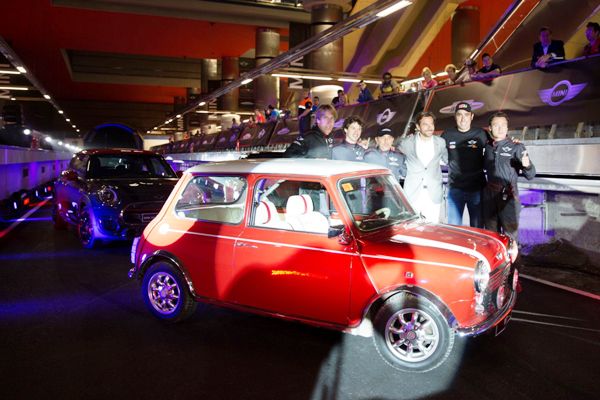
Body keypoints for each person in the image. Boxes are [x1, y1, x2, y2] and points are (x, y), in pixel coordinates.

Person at [483, 112, 536, 242]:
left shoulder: (516, 146)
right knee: (491, 237)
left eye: (503, 125)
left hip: (509, 197)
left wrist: (527, 165)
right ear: (490, 128)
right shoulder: (487, 147)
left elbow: (531, 175)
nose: (500, 128)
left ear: (507, 128)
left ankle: (514, 262)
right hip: (489, 198)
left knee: (510, 238)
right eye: (496, 125)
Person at [441, 101, 488, 228]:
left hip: (477, 189)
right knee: (454, 230)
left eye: (466, 115)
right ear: (455, 117)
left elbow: (497, 145)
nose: (463, 119)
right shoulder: (447, 135)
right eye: (459, 115)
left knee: (477, 229)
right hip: (455, 189)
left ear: (471, 116)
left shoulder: (481, 134)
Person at [398, 112, 448, 223]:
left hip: (433, 193)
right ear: (417, 126)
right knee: (413, 229)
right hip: (413, 193)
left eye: (432, 124)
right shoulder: (406, 143)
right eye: (425, 124)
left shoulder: (441, 142)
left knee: (433, 228)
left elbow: (448, 160)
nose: (430, 127)